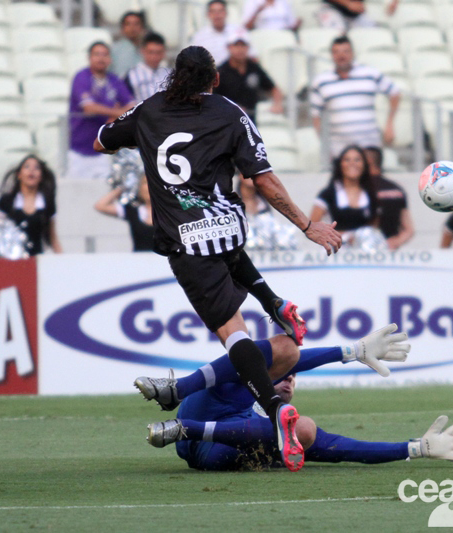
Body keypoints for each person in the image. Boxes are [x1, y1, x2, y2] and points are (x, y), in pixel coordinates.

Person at [94, 45, 342, 472]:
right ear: (215, 78)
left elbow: (101, 140)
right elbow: (264, 180)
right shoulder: (230, 112)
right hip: (227, 228)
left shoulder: (148, 110)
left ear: (175, 76)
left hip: (186, 240)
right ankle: (273, 301)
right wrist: (306, 225)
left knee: (235, 335)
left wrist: (136, 137)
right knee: (227, 255)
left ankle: (274, 409)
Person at [137, 325, 453, 471]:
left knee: (305, 429)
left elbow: (349, 449)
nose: (289, 379)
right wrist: (350, 351)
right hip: (200, 418)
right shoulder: (240, 384)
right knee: (268, 354)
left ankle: (183, 424)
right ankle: (178, 390)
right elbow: (292, 357)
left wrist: (415, 448)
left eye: (293, 378)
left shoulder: (286, 430)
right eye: (286, 375)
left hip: (214, 450)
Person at [310, 36, 400, 158]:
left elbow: (394, 92)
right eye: (336, 52)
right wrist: (325, 144)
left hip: (369, 145)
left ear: (353, 53)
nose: (341, 56)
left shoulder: (369, 74)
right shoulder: (321, 81)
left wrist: (389, 124)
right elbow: (316, 116)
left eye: (345, 51)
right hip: (339, 149)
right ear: (331, 55)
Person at [68, 42, 136, 181]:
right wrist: (117, 113)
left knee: (103, 188)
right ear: (89, 57)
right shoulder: (81, 77)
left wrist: (111, 113)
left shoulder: (114, 80)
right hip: (79, 150)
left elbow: (132, 106)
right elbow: (89, 107)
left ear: (110, 59)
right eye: (97, 54)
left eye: (105, 55)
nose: (101, 58)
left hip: (103, 150)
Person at [310, 145, 379, 243]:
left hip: (364, 250)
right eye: (347, 160)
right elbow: (312, 228)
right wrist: (344, 236)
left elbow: (374, 226)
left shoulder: (370, 193)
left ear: (364, 165)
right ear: (340, 164)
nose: (352, 163)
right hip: (335, 249)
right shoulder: (328, 194)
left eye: (357, 160)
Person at [0, 154, 63, 255]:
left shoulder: (46, 202)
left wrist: (63, 258)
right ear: (19, 175)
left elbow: (52, 237)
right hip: (11, 258)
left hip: (37, 258)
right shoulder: (7, 201)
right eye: (27, 167)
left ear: (41, 176)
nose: (31, 170)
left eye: (36, 168)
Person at [215, 32, 284, 123]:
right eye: (236, 45)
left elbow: (274, 89)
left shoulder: (254, 68)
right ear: (229, 47)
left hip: (251, 121)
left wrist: (277, 104)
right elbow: (212, 98)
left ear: (248, 47)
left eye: (243, 45)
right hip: (228, 122)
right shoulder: (221, 71)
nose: (240, 49)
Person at [364, 146, 414, 249]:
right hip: (389, 253)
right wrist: (394, 242)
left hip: (359, 252)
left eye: (358, 160)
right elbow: (409, 230)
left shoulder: (359, 189)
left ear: (368, 161)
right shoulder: (396, 189)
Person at [94, 176, 155, 252]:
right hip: (139, 258)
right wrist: (123, 187)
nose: (149, 187)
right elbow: (100, 206)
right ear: (140, 189)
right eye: (145, 183)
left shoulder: (167, 212)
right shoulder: (133, 211)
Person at [191, 0, 240, 66]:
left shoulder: (237, 32)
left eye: (220, 11)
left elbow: (250, 57)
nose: (217, 15)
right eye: (213, 11)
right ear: (208, 14)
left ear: (226, 13)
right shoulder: (199, 37)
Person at [125, 32, 171, 102]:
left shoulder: (169, 74)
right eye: (151, 52)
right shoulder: (132, 75)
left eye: (158, 52)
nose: (154, 57)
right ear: (142, 51)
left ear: (164, 53)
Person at [111, 11, 146, 78]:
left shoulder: (148, 50)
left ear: (142, 28)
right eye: (128, 24)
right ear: (122, 28)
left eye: (136, 24)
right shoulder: (114, 50)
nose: (132, 27)